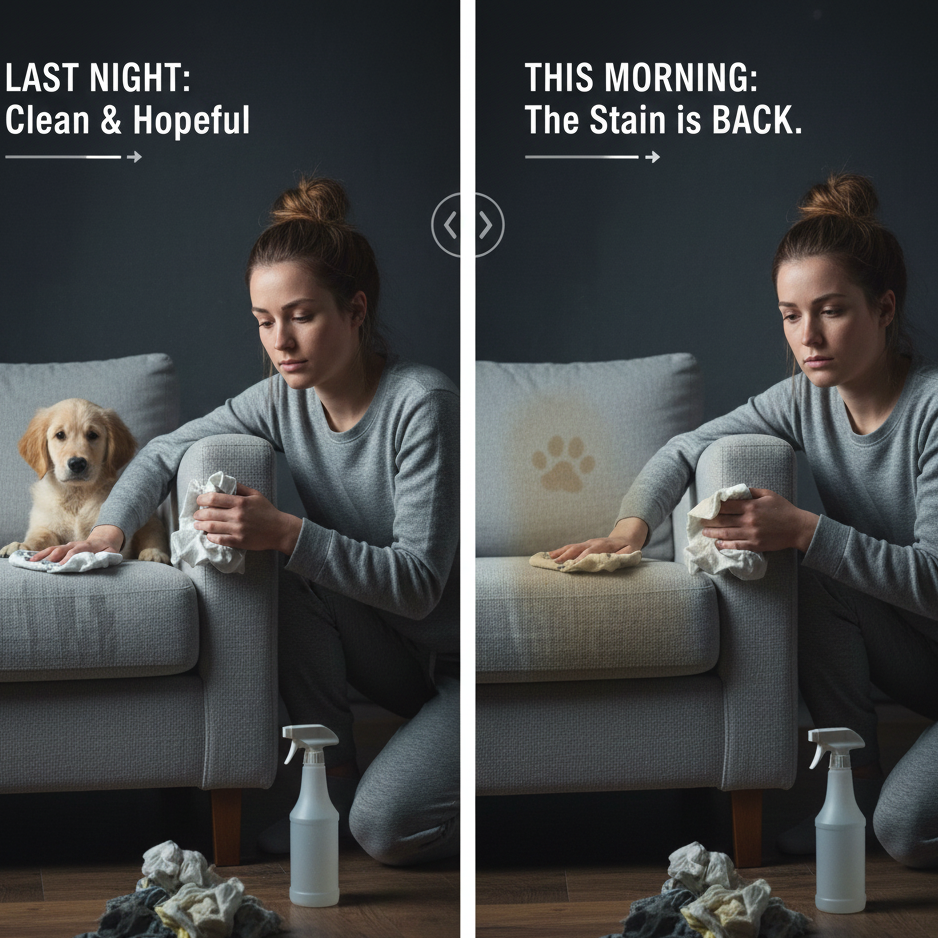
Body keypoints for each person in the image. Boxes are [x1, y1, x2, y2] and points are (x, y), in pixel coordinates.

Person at [32, 176, 460, 867]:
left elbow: (417, 584)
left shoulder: (421, 404)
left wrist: (287, 531)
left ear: (355, 311)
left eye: (301, 316)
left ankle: (477, 779)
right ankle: (334, 779)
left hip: (461, 662)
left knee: (387, 833)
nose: (280, 342)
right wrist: (108, 533)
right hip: (391, 657)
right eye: (264, 321)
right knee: (265, 561)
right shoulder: (281, 397)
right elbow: (168, 451)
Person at [549, 173, 938, 867]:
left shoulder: (931, 410)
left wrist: (807, 529)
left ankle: (887, 817)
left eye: (831, 310)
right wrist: (632, 528)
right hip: (919, 658)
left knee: (909, 834)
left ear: (884, 309)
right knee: (806, 573)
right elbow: (682, 448)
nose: (808, 336)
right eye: (791, 315)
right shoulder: (804, 399)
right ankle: (856, 792)